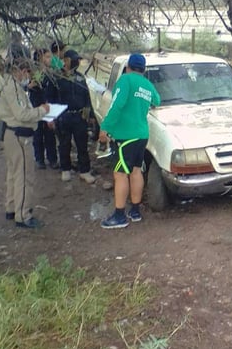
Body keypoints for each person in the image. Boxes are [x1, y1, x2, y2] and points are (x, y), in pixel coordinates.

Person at [99, 53, 161, 229]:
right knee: (135, 171)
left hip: (126, 136)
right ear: (143, 70)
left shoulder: (125, 81)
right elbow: (157, 101)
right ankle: (135, 211)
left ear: (127, 67)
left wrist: (105, 128)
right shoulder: (147, 85)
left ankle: (119, 216)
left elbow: (117, 105)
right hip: (142, 135)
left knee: (120, 174)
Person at [0, 58, 50, 228]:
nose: (27, 76)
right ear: (20, 71)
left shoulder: (5, 84)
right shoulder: (12, 87)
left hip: (11, 134)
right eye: (27, 72)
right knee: (24, 176)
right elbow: (22, 114)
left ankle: (12, 207)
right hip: (19, 135)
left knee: (13, 174)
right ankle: (23, 215)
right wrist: (42, 110)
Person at [52, 49, 96, 184]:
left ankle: (84, 171)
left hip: (79, 117)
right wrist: (51, 118)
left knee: (82, 145)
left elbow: (87, 97)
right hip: (63, 116)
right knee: (64, 144)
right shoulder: (57, 77)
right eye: (74, 60)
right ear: (66, 61)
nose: (77, 62)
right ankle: (65, 169)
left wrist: (91, 115)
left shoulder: (80, 77)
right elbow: (51, 99)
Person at [29, 48, 59, 169]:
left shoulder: (51, 73)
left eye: (49, 56)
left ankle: (52, 159)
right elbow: (35, 92)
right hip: (38, 108)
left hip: (49, 108)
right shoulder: (36, 74)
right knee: (38, 134)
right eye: (46, 57)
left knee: (50, 135)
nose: (49, 59)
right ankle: (39, 159)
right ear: (40, 59)